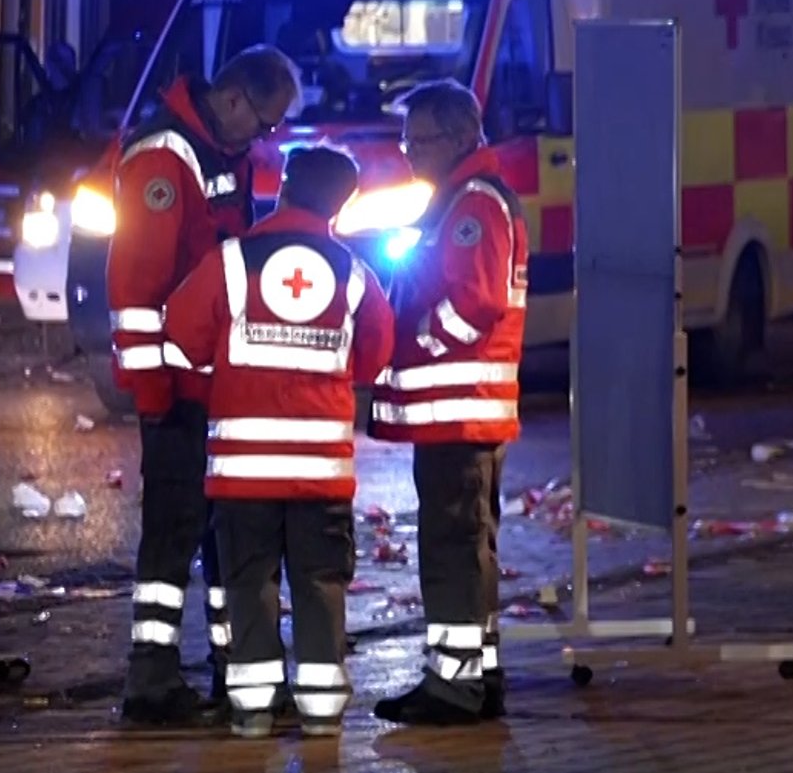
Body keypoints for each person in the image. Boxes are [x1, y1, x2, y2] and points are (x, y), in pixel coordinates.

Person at [161, 147, 396, 739]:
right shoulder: (354, 272)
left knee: (249, 586)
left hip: (243, 476)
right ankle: (321, 715)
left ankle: (253, 711)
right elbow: (375, 355)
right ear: (342, 206)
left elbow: (182, 334)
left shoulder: (233, 261)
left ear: (284, 187)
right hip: (321, 476)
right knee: (320, 585)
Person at [111, 46, 300, 727]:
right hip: (178, 391)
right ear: (233, 98)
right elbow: (136, 290)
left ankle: (235, 668)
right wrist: (155, 394)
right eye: (265, 121)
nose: (264, 137)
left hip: (216, 386)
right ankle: (152, 678)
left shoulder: (222, 152)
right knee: (172, 530)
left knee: (223, 528)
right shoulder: (166, 156)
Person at [371, 81, 529, 726]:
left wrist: (418, 344)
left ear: (463, 136)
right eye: (406, 140)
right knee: (469, 544)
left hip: (457, 409)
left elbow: (478, 301)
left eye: (422, 140)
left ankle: (454, 686)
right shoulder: (468, 198)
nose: (410, 153)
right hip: (465, 410)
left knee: (452, 546)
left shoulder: (471, 204)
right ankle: (478, 674)